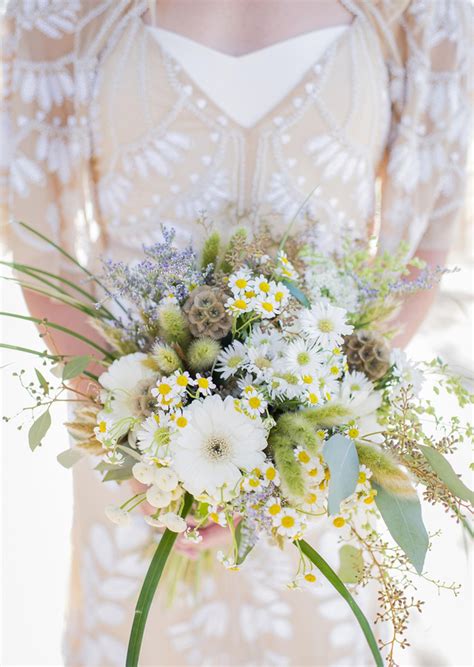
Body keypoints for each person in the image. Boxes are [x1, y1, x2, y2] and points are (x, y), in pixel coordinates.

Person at [1, 1, 471, 665]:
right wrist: (156, 458)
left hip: (317, 468)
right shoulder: (57, 10)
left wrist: (300, 443)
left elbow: (424, 240)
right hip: (135, 456)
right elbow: (40, 244)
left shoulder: (423, 12)